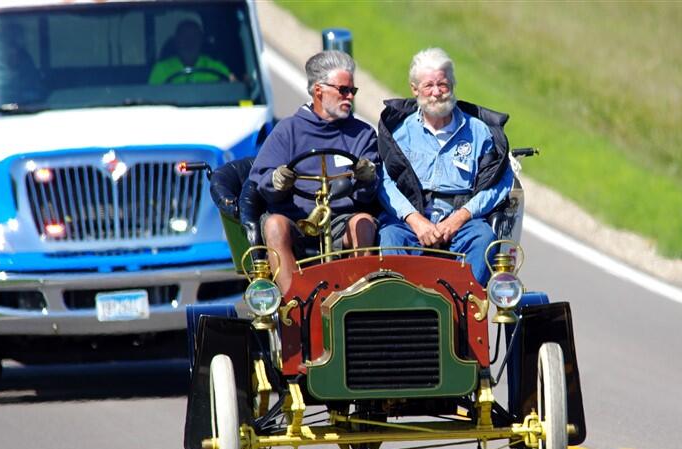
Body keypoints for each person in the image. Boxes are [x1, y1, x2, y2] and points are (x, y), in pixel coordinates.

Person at [240, 50, 380, 293]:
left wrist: (367, 178)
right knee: (274, 225)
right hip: (296, 220)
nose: (349, 97)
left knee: (363, 223)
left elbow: (368, 195)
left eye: (352, 91)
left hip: (341, 221)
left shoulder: (363, 134)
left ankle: (356, 300)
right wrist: (277, 180)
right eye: (343, 90)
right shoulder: (288, 131)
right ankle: (295, 305)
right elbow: (261, 180)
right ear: (319, 91)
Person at [377, 47, 513, 286]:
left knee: (484, 238)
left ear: (452, 85)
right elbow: (384, 181)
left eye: (443, 85)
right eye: (429, 86)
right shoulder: (399, 133)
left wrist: (460, 218)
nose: (437, 93)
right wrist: (415, 220)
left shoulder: (479, 132)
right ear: (414, 89)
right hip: (412, 223)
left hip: (462, 223)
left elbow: (500, 182)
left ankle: (465, 307)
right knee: (389, 236)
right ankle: (403, 309)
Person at [148, 20, 233, 85]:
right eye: (184, 37)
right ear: (176, 41)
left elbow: (234, 93)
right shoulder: (161, 69)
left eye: (194, 36)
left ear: (201, 40)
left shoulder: (217, 67)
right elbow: (152, 100)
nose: (189, 42)